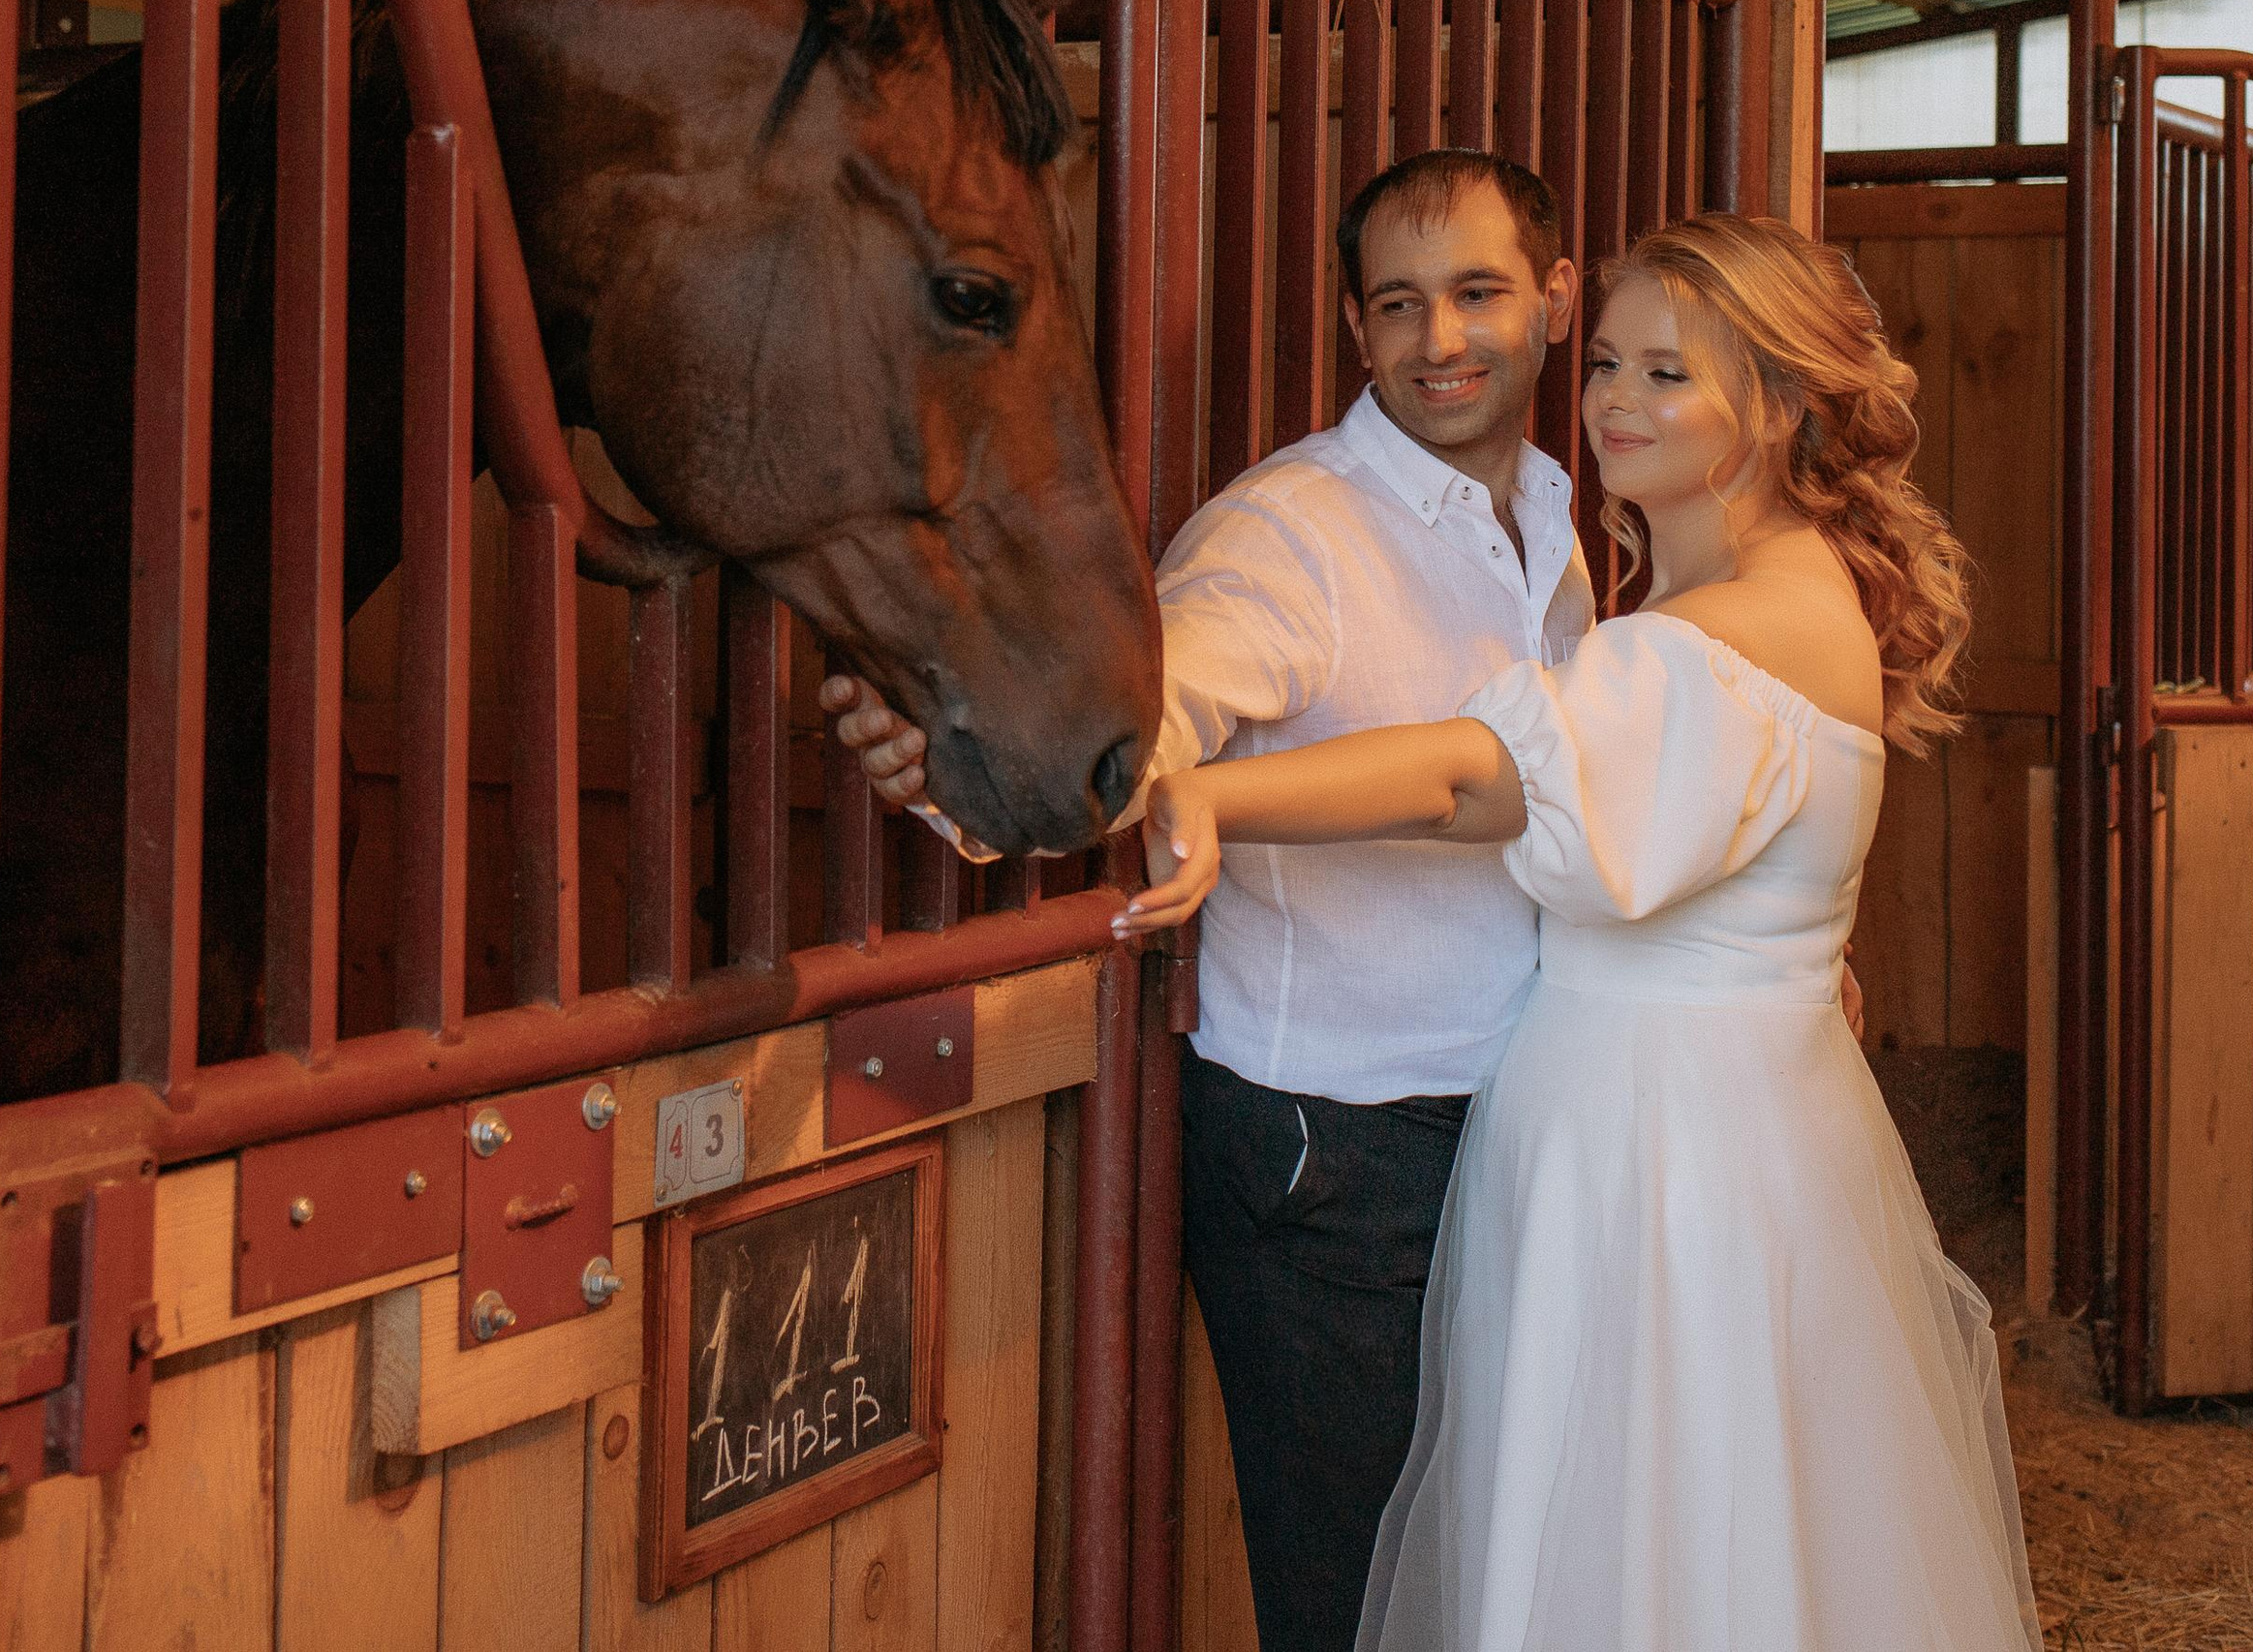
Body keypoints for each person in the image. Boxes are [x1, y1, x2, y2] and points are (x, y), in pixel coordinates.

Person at [1122, 213, 2042, 1652]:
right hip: (1698, 1129)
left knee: (1649, 1545)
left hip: (1662, 1166)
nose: (1615, 399)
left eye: (1669, 374)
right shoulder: (1708, 590)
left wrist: (1207, 796)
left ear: (1779, 404)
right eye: (1609, 362)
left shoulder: (1716, 631)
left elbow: (1469, 780)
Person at [832, 151, 1586, 1651]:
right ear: (1355, 327)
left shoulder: (1556, 517)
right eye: (1397, 305)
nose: (1439, 339)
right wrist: (952, 782)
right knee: (1359, 1603)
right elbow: (1150, 731)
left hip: (1506, 1116)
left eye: (1477, 294)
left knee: (1487, 1577)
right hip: (1335, 1146)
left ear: (1556, 302)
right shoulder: (1290, 535)